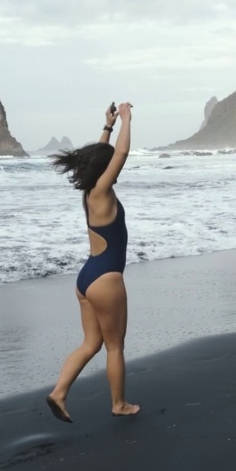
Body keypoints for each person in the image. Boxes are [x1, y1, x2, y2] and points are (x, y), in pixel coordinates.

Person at [45, 102, 140, 422]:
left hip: (87, 279)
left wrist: (109, 126)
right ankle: (119, 404)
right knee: (115, 347)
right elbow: (120, 155)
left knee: (91, 343)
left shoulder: (89, 192)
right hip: (106, 280)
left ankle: (58, 393)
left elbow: (103, 156)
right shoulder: (101, 189)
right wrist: (127, 120)